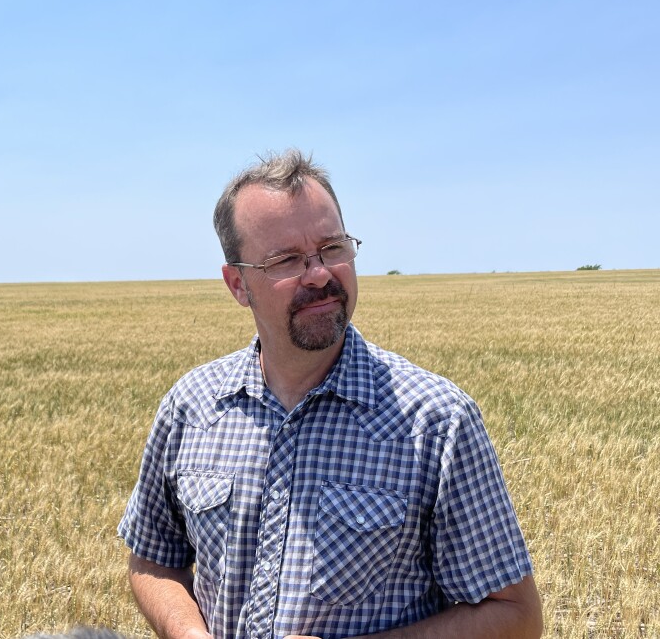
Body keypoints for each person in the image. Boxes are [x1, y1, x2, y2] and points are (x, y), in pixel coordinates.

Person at [118, 149, 542, 639]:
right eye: (287, 260)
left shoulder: (437, 421)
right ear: (237, 284)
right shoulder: (192, 405)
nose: (319, 273)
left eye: (333, 248)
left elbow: (516, 617)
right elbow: (152, 559)